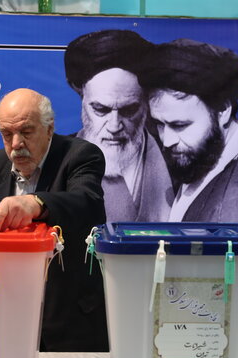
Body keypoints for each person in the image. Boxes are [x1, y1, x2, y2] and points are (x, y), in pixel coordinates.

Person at [0, 88, 108, 351]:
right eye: (7, 135)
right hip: (16, 313)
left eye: (26, 132)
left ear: (49, 129)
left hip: (72, 317)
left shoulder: (81, 155)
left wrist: (37, 203)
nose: (16, 143)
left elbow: (88, 203)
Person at [139, 39, 238, 236]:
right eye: (159, 124)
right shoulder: (202, 158)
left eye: (180, 125)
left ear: (223, 110)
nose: (167, 141)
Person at [64, 29, 172, 222]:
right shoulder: (59, 161)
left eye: (128, 110)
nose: (114, 126)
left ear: (146, 103)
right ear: (81, 97)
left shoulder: (179, 164)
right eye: (100, 109)